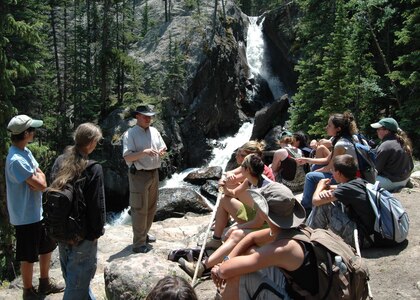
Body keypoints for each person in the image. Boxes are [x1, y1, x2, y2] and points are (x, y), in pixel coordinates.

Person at [210, 182, 315, 300]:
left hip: (296, 296)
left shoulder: (283, 248)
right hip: (294, 284)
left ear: (265, 213)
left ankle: (224, 294)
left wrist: (220, 268)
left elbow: (224, 271)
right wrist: (226, 260)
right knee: (245, 254)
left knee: (237, 275)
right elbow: (252, 237)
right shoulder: (293, 229)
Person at [5, 114, 64, 300]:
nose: (35, 133)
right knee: (28, 255)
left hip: (36, 211)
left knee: (46, 247)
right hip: (25, 216)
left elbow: (41, 179)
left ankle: (44, 282)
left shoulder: (26, 152)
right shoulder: (16, 160)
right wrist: (39, 179)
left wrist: (39, 179)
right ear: (26, 133)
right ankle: (28, 291)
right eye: (33, 130)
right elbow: (40, 184)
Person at [49, 123, 105, 299]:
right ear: (91, 143)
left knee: (73, 279)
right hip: (83, 234)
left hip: (61, 229)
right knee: (77, 284)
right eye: (97, 141)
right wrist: (96, 232)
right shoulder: (93, 168)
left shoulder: (60, 160)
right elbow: (97, 204)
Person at [122, 104, 167, 253]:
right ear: (137, 117)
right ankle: (138, 244)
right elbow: (127, 156)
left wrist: (161, 151)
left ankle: (144, 234)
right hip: (139, 175)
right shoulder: (130, 134)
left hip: (154, 173)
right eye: (145, 116)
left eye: (150, 116)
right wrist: (144, 152)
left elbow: (163, 147)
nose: (149, 119)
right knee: (139, 208)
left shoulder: (154, 131)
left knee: (151, 207)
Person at [205, 154, 272, 250]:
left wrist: (238, 227)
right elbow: (233, 193)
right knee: (224, 199)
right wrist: (224, 187)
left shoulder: (264, 189)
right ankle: (216, 240)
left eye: (242, 167)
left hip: (264, 225)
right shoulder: (250, 180)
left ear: (247, 170)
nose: (240, 169)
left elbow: (259, 222)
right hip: (255, 214)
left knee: (235, 233)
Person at [306, 154, 375, 248]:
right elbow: (338, 188)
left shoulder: (346, 189)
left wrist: (319, 185)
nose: (332, 173)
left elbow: (315, 201)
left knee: (324, 206)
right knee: (329, 201)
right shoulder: (358, 182)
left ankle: (307, 239)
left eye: (332, 170)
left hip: (362, 239)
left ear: (338, 173)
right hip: (371, 235)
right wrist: (327, 189)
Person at [297, 112, 359, 214]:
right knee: (315, 168)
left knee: (310, 176)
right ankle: (312, 199)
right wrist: (307, 160)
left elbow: (330, 167)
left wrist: (314, 171)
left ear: (338, 129)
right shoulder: (345, 138)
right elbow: (327, 159)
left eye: (329, 125)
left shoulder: (340, 144)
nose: (326, 127)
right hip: (349, 173)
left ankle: (306, 208)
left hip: (346, 178)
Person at [370, 117, 414, 192]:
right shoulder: (402, 142)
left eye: (378, 129)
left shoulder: (386, 145)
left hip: (392, 182)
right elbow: (412, 166)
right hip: (405, 179)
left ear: (386, 131)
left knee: (362, 182)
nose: (377, 131)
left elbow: (376, 170)